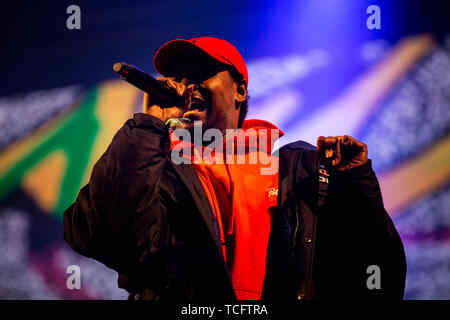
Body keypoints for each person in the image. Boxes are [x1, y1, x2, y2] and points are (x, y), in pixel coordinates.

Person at [63, 37, 406, 300]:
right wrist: (147, 126)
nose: (185, 85)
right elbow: (93, 233)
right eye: (178, 78)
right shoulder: (156, 170)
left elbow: (378, 275)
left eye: (200, 74)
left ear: (240, 90)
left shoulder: (296, 170)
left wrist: (356, 184)